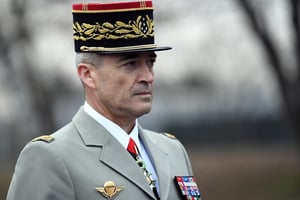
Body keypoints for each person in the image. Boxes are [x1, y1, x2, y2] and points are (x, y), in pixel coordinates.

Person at [7, 1, 201, 200]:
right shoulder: (50, 158)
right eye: (131, 63)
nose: (148, 76)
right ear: (88, 75)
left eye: (150, 62)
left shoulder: (172, 150)